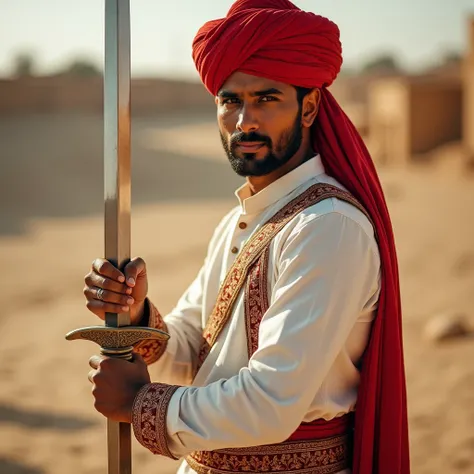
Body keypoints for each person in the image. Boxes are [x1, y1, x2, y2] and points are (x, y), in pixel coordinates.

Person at [84, 1, 410, 473]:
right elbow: (192, 352)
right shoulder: (242, 219)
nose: (245, 122)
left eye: (266, 98)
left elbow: (270, 401)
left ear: (310, 106)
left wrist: (140, 402)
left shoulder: (327, 226)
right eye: (230, 100)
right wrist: (135, 313)